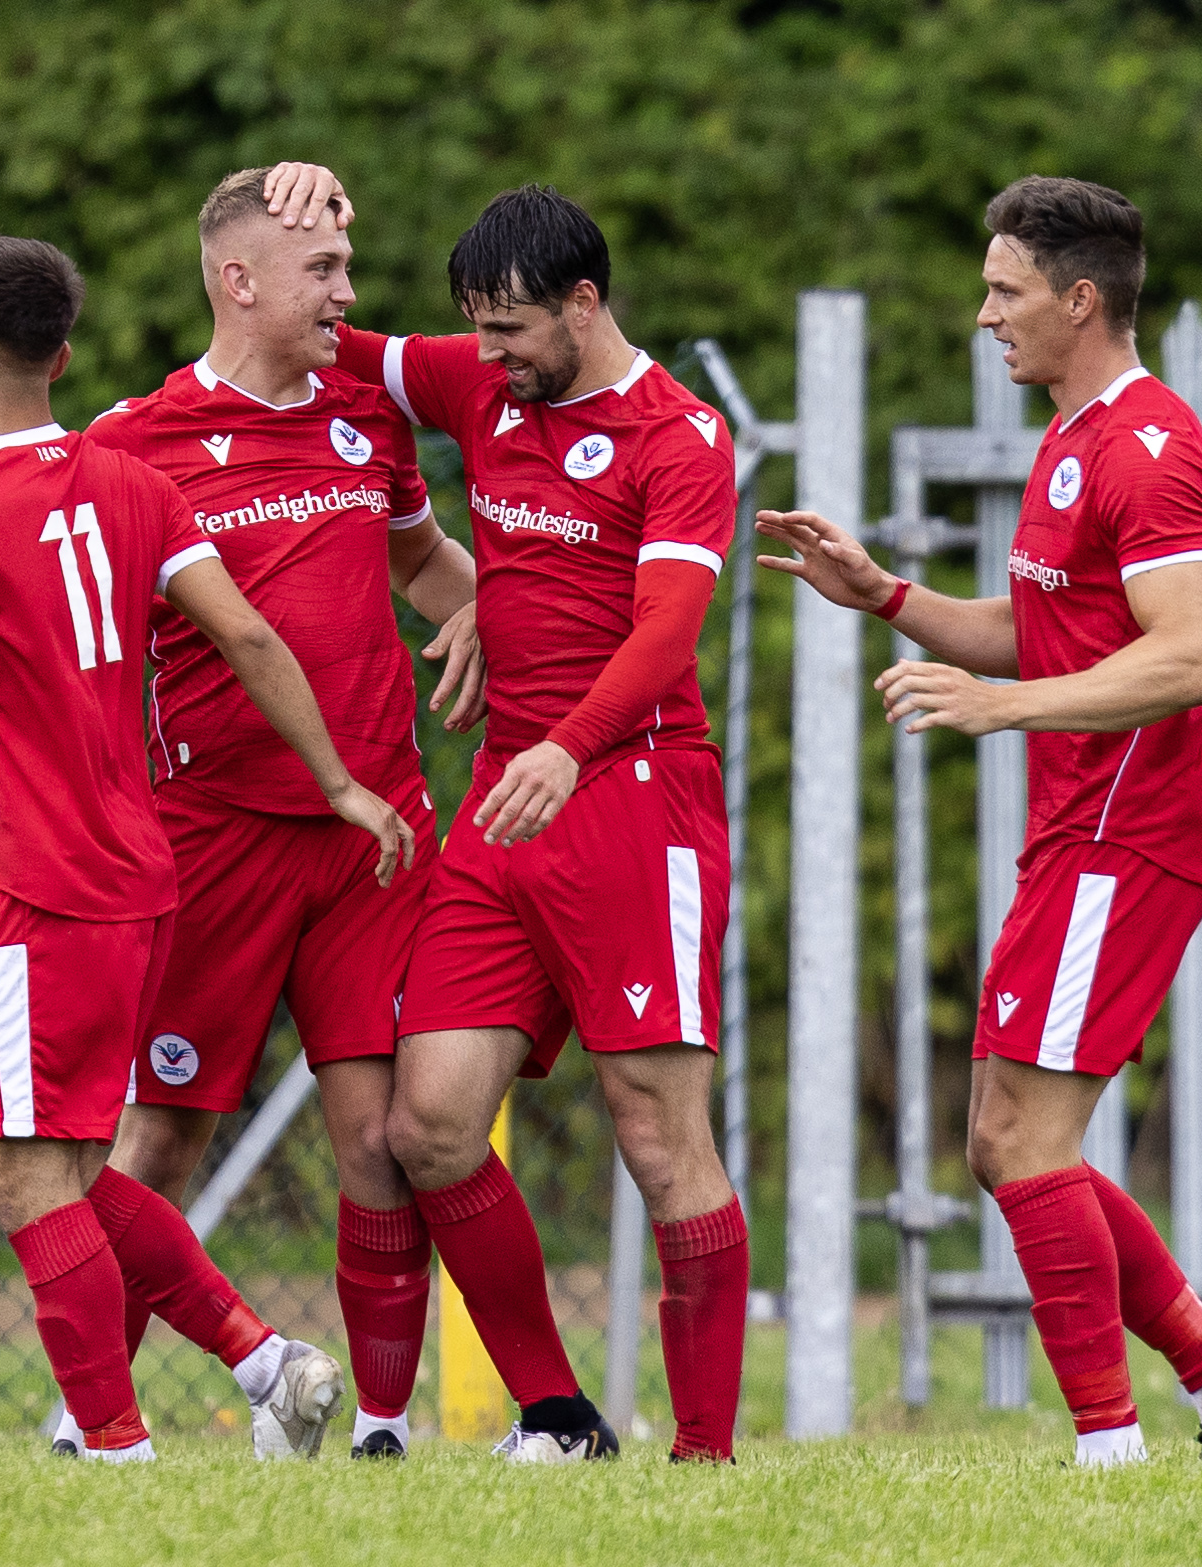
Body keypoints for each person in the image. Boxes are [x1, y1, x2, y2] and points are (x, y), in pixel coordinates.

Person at [756, 175, 1202, 1466]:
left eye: (1003, 292)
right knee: (1001, 1135)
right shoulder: (1067, 439)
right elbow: (1045, 627)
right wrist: (883, 592)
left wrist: (1002, 705)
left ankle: (1108, 1451)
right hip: (1081, 831)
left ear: (1078, 300)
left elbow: (1184, 657)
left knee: (1020, 1140)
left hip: (1130, 833)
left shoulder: (1149, 449)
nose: (981, 314)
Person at [0, 234, 415, 1461]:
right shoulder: (136, 488)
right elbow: (252, 639)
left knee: (20, 1179)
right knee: (70, 1166)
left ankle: (113, 1448)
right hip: (144, 873)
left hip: (39, 884)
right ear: (63, 359)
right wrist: (339, 781)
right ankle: (269, 1363)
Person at [264, 165, 748, 1465]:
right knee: (425, 1122)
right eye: (473, 327)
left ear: (581, 304)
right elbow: (319, 331)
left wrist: (572, 744)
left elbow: (664, 633)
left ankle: (703, 1457)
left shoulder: (680, 437)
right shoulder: (482, 381)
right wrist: (308, 209)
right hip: (503, 806)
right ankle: (561, 1413)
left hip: (633, 803)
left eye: (510, 328)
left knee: (659, 1132)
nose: (483, 355)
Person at [64, 166, 482, 1462]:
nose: (349, 297)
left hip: (372, 838)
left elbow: (417, 557)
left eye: (349, 271)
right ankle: (98, 1419)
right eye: (323, 274)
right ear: (236, 281)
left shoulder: (364, 412)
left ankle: (373, 1424)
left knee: (378, 1136)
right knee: (164, 1131)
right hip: (210, 839)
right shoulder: (132, 443)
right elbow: (74, 636)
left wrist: (487, 608)